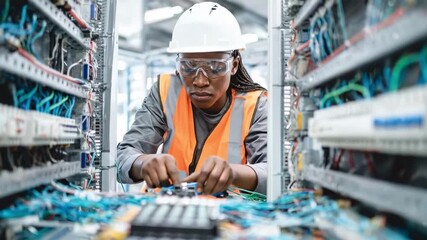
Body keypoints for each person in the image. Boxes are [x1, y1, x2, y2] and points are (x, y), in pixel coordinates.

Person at [117, 2, 268, 194]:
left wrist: (234, 173)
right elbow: (124, 155)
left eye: (215, 66)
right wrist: (142, 163)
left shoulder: (255, 106)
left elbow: (273, 172)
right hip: (165, 209)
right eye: (188, 66)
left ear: (234, 65)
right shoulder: (166, 92)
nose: (200, 80)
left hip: (227, 216)